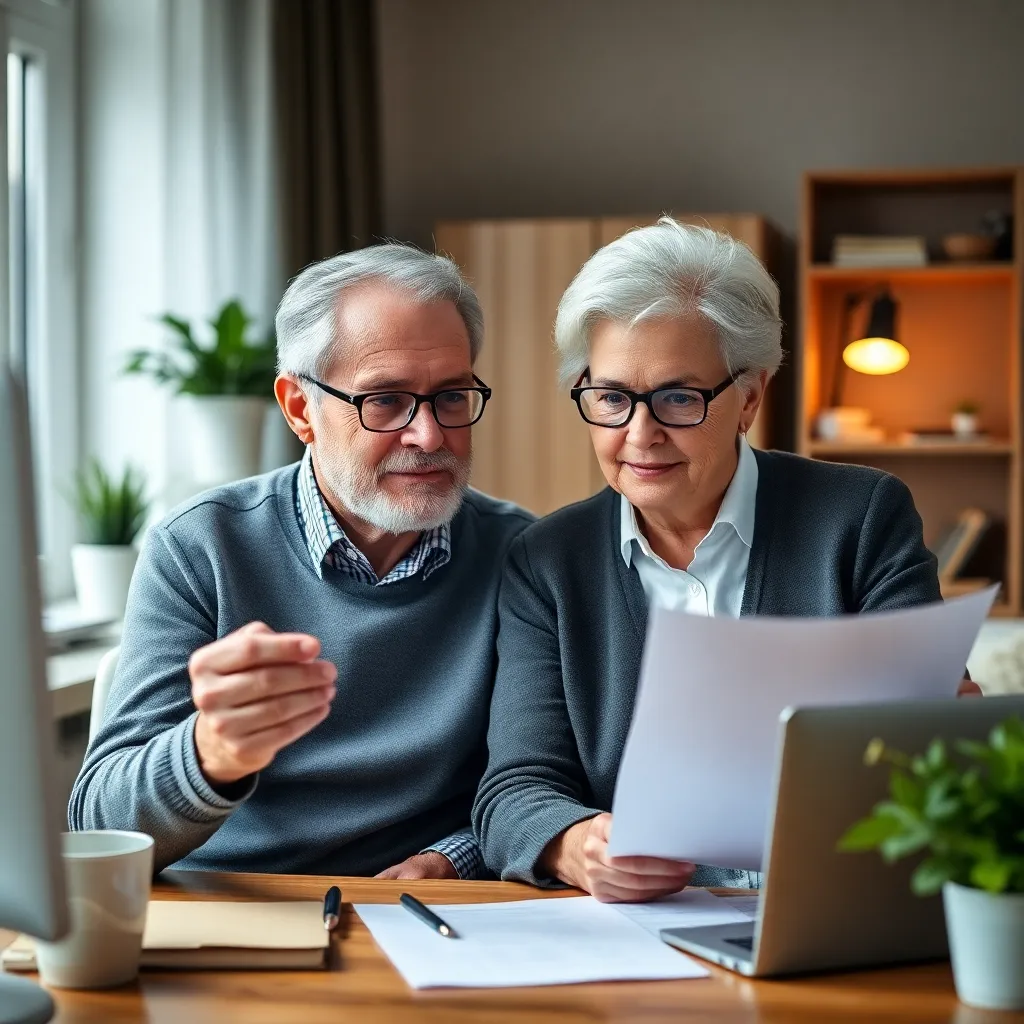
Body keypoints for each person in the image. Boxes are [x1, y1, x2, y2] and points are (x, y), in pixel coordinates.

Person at [472, 217, 977, 903]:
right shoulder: (546, 563)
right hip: (641, 937)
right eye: (613, 399)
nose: (640, 436)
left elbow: (927, 747)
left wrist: (943, 727)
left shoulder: (861, 518)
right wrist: (577, 845)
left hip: (834, 907)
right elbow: (514, 791)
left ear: (749, 397)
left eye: (678, 398)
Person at [70, 243, 532, 877]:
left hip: (431, 917)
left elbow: (536, 785)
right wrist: (211, 753)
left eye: (451, 397)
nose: (429, 436)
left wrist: (451, 860)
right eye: (386, 400)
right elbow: (97, 823)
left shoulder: (522, 557)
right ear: (299, 409)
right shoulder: (202, 546)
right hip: (235, 906)